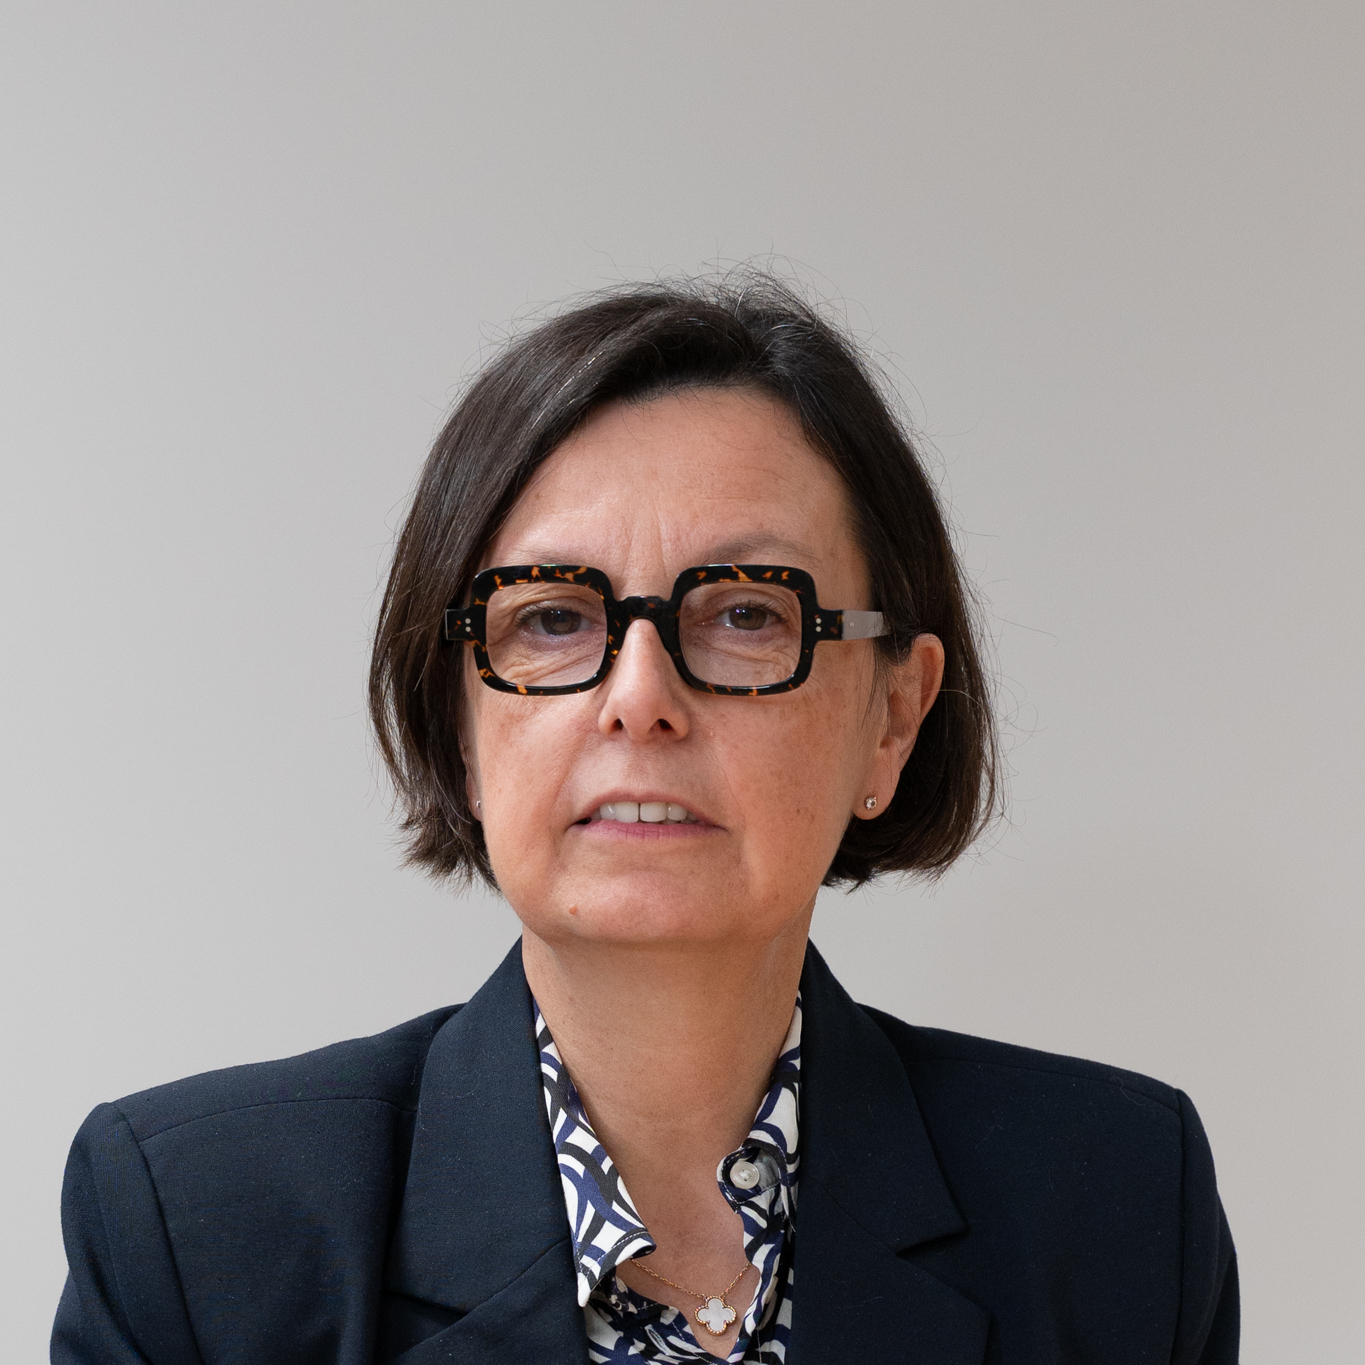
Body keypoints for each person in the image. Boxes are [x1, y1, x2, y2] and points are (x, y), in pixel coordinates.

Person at [53, 275, 1238, 1364]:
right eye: (552, 619)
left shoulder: (1117, 1205)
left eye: (746, 614)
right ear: (456, 718)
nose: (640, 698)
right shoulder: (199, 1230)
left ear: (893, 717)